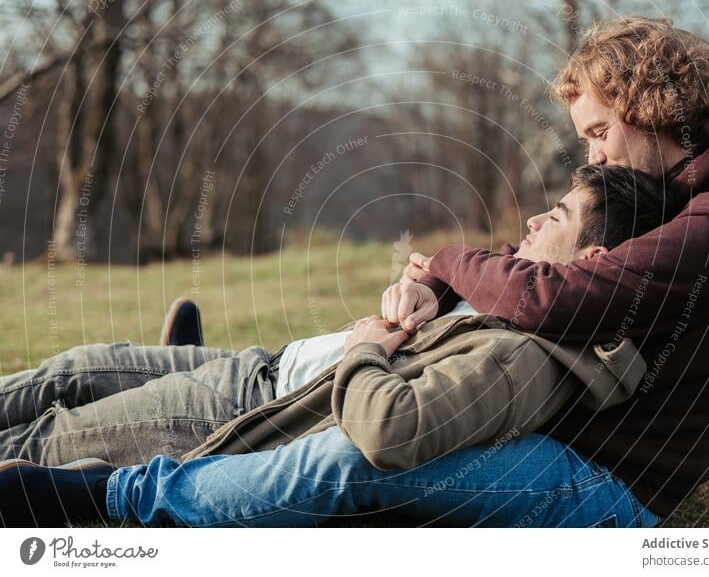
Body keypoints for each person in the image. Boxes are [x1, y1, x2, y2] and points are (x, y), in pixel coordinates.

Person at [0, 164, 675, 528]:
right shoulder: (524, 295)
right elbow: (462, 276)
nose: (532, 219)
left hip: (257, 406)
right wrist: (430, 283)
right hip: (270, 365)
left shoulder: (528, 355)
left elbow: (387, 429)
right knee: (71, 369)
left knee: (47, 436)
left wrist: (365, 345)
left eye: (553, 217)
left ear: (591, 257)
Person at [386, 16, 709, 523]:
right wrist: (437, 280)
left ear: (654, 110)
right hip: (572, 452)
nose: (595, 158)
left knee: (353, 462)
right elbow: (533, 260)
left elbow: (548, 295)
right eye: (585, 141)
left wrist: (449, 260)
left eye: (601, 132)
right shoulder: (674, 199)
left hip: (609, 482)